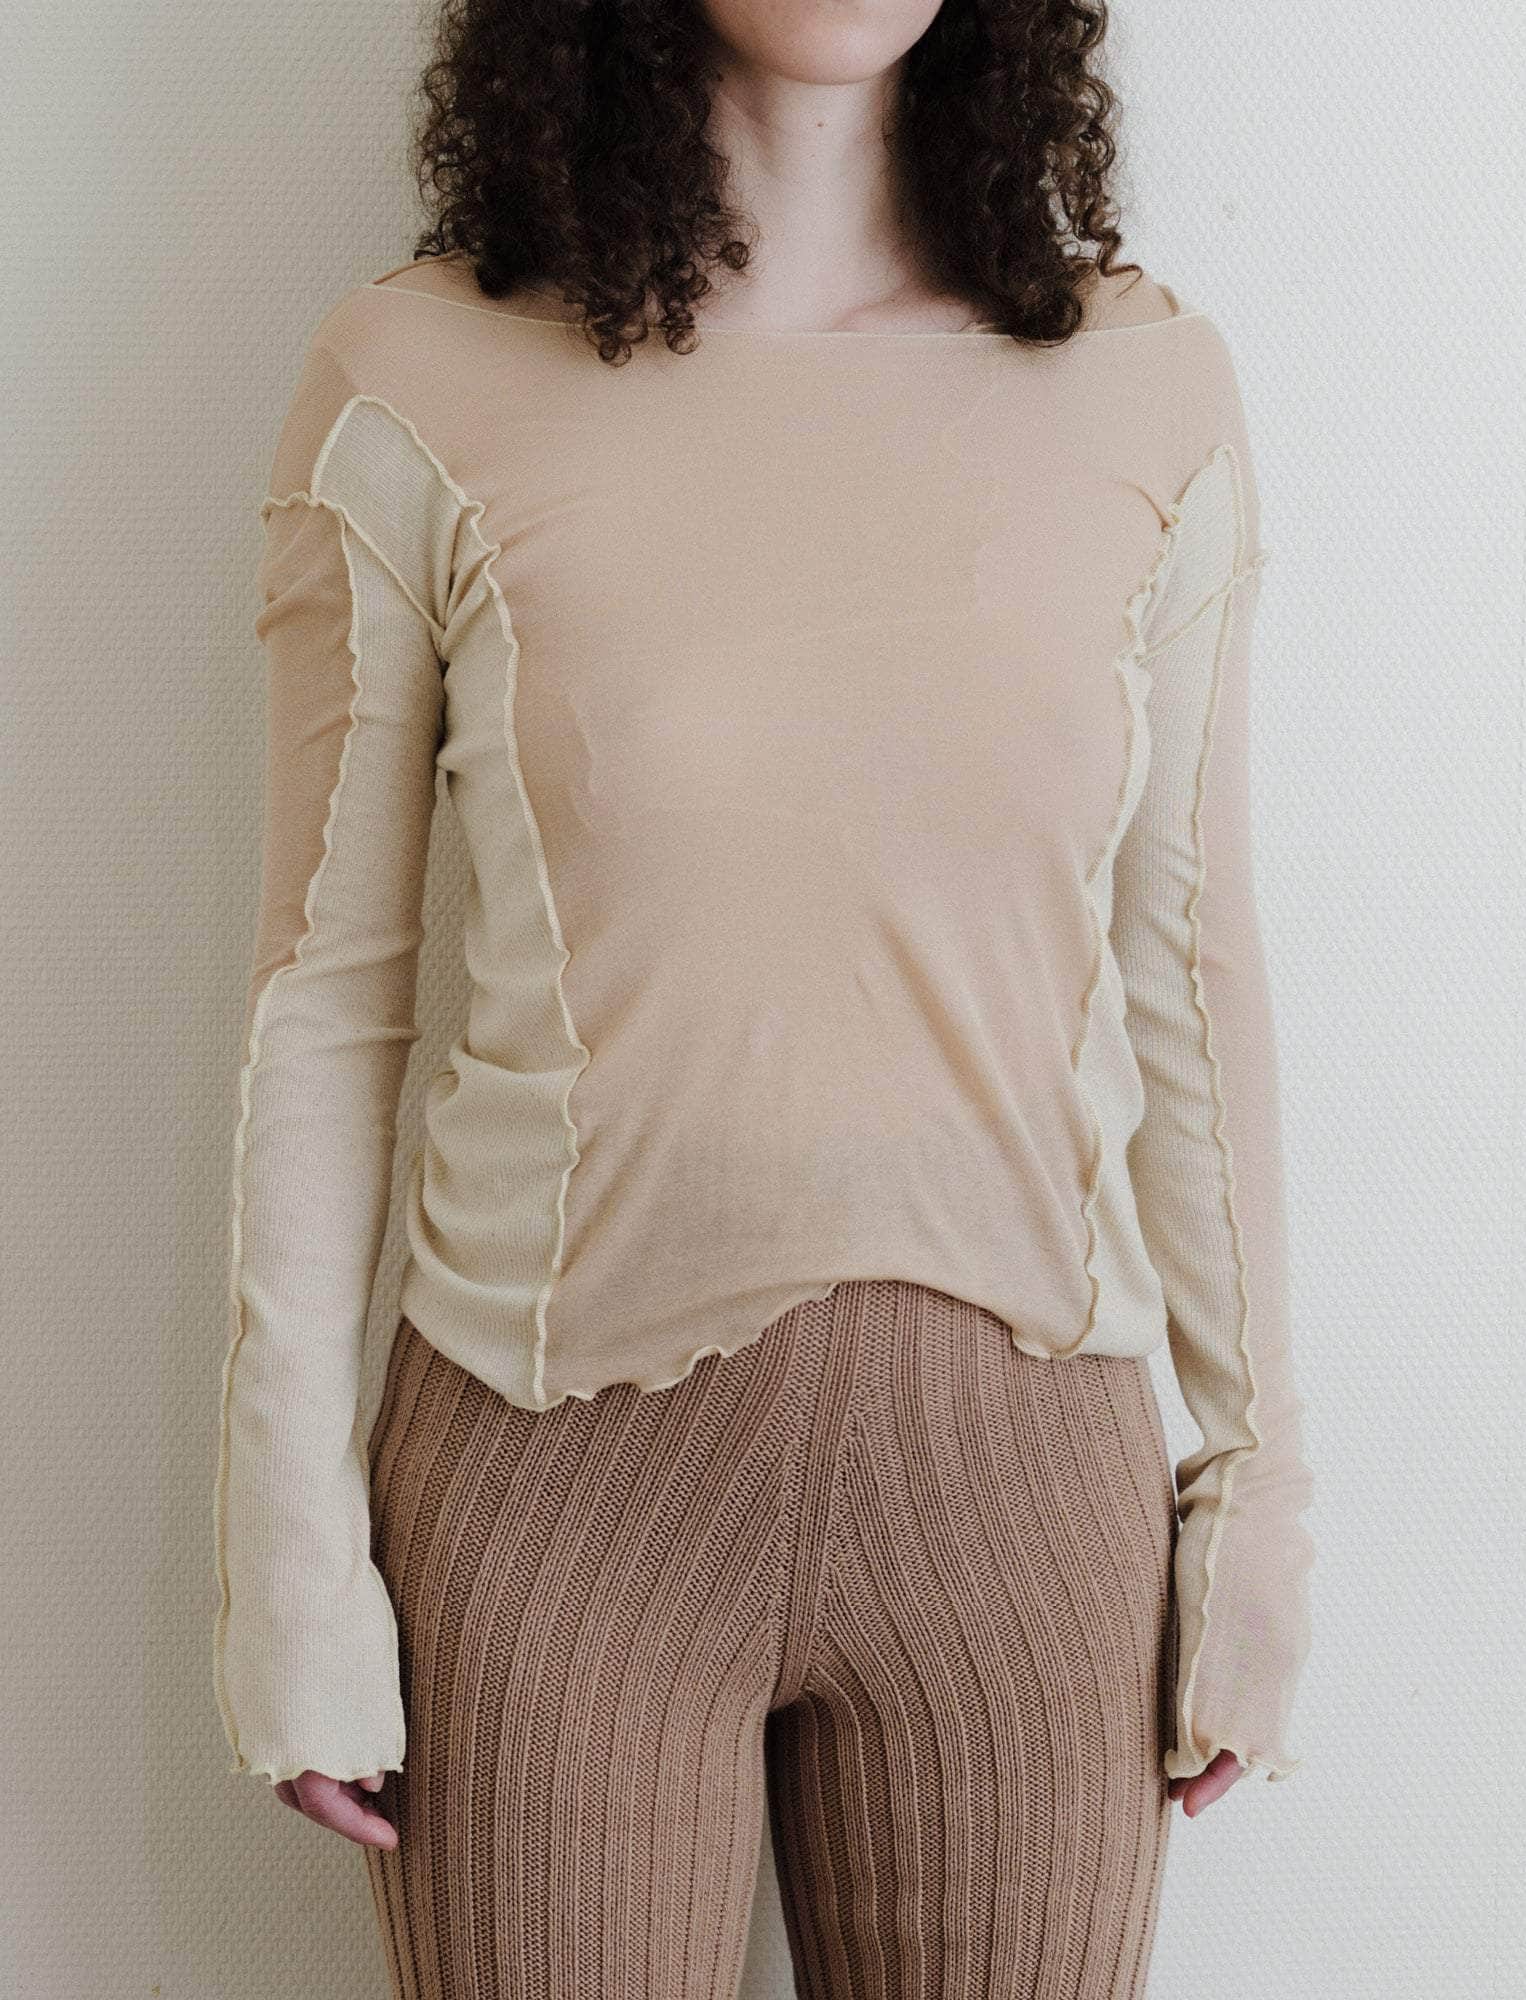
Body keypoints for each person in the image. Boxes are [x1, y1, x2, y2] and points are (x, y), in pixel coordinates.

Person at [211, 0, 1314, 1993]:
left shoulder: (1144, 389)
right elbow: (330, 999)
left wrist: (1262, 1490)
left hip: (1023, 1521)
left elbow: (1192, 965)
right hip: (549, 1516)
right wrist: (285, 1548)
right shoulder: (416, 382)